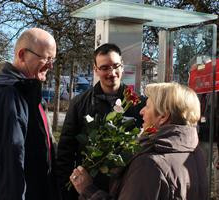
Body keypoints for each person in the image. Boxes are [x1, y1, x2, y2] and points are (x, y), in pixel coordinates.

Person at [70, 82, 208, 200]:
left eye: (147, 106)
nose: (141, 111)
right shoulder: (196, 153)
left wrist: (88, 191)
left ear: (163, 116)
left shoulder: (150, 163)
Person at [0, 28, 60, 200]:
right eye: (46, 58)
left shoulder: (26, 91)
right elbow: (3, 168)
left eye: (53, 59)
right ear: (22, 55)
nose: (51, 65)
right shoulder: (7, 95)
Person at [56, 43, 145, 199]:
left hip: (128, 187)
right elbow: (66, 152)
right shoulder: (79, 104)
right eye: (104, 68)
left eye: (116, 66)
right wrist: (67, 192)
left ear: (122, 66)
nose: (112, 73)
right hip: (89, 190)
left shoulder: (141, 104)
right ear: (95, 70)